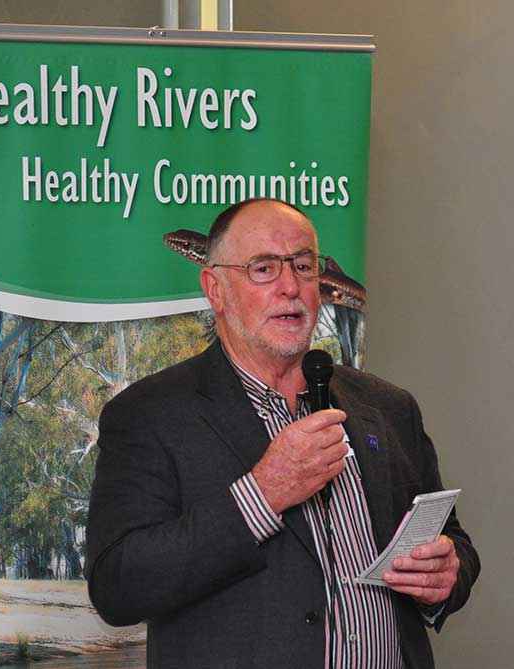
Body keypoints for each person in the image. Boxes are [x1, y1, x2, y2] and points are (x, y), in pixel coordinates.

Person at [85, 198, 479, 668]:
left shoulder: (389, 407)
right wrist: (263, 494)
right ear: (215, 289)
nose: (289, 286)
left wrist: (446, 574)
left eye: (303, 266)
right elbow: (118, 587)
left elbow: (451, 539)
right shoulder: (150, 414)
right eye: (263, 269)